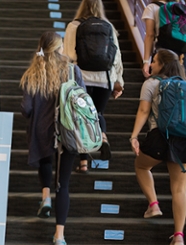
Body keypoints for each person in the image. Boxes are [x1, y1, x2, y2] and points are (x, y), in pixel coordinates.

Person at [129, 48, 186, 245]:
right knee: (179, 189)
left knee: (141, 167)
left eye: (154, 61)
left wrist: (134, 136)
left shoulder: (151, 83)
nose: (151, 64)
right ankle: (178, 236)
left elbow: (144, 111)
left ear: (162, 65)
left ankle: (153, 204)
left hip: (160, 137)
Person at [20, 31, 83, 245]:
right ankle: (59, 237)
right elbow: (82, 99)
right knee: (63, 184)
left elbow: (26, 108)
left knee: (46, 161)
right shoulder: (72, 71)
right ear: (60, 47)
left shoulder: (32, 73)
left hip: (42, 131)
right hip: (67, 131)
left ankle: (45, 196)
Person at [63, 0, 125, 173]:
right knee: (97, 113)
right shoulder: (108, 26)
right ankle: (102, 136)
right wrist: (118, 80)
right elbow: (116, 57)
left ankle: (84, 162)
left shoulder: (73, 26)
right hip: (104, 79)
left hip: (80, 77)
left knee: (81, 119)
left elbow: (67, 55)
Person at [141, 0, 186, 78]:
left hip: (164, 54)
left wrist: (146, 62)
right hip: (185, 54)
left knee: (159, 85)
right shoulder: (182, 8)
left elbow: (150, 35)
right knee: (180, 85)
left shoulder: (152, 7)